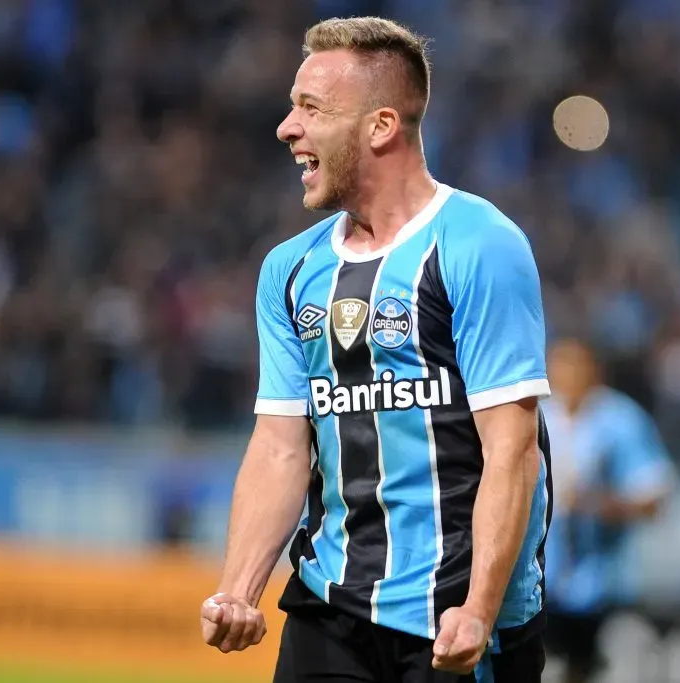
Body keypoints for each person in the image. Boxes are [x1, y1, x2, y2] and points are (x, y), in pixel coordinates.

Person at [200, 16, 552, 683]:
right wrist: (238, 590)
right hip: (331, 603)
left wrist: (477, 608)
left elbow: (513, 448)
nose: (286, 127)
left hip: (456, 622)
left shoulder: (478, 244)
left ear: (381, 126)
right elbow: (280, 444)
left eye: (310, 108)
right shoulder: (290, 269)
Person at [541, 338, 674, 683]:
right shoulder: (540, 414)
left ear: (594, 371)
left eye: (574, 365)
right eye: (558, 364)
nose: (564, 374)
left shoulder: (621, 420)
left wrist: (596, 504)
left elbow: (654, 498)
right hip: (544, 579)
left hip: (603, 584)